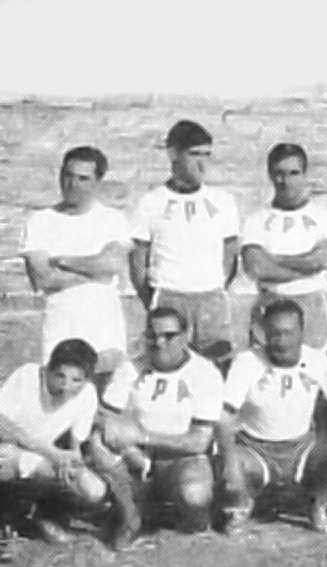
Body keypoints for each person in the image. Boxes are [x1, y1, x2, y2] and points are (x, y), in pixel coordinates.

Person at [218, 299, 327, 535]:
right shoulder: (247, 362)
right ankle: (242, 503)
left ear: (302, 332)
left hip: (302, 447)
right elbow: (225, 417)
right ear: (264, 334)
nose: (281, 341)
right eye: (274, 334)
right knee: (231, 461)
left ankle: (319, 502)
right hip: (256, 448)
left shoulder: (318, 361)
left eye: (288, 333)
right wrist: (230, 465)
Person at [98, 307, 223, 534]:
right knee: (98, 443)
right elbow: (105, 415)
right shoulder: (130, 368)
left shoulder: (204, 373)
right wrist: (129, 447)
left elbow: (199, 441)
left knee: (194, 495)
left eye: (169, 335)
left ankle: (192, 516)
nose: (159, 342)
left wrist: (143, 437)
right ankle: (131, 515)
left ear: (186, 335)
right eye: (152, 335)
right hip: (136, 455)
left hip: (182, 458)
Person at [129, 120, 240, 367]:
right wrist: (155, 300)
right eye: (194, 154)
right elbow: (138, 263)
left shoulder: (223, 202)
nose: (202, 163)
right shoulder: (151, 202)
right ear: (173, 154)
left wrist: (213, 287)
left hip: (210, 300)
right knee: (168, 367)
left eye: (207, 155)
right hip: (169, 296)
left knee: (217, 367)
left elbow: (230, 257)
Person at [20, 146, 130, 379]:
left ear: (98, 182)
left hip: (104, 329)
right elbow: (43, 278)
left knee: (105, 393)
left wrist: (63, 261)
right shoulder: (40, 221)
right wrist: (95, 272)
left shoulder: (112, 220)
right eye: (68, 176)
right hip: (60, 328)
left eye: (83, 178)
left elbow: (112, 264)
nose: (73, 184)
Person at [0, 339, 108, 543]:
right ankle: (13, 512)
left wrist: (72, 464)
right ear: (48, 368)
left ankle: (45, 514)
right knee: (38, 467)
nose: (66, 386)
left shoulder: (87, 395)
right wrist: (49, 452)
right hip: (8, 449)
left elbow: (75, 446)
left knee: (93, 489)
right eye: (60, 376)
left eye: (76, 380)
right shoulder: (27, 376)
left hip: (42, 456)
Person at [242, 143, 327, 354]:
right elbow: (256, 268)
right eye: (279, 173)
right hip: (271, 303)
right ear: (270, 175)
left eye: (294, 173)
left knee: (314, 366)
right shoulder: (255, 220)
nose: (286, 181)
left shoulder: (324, 218)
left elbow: (324, 260)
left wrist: (275, 260)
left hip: (311, 305)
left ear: (305, 175)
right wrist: (306, 266)